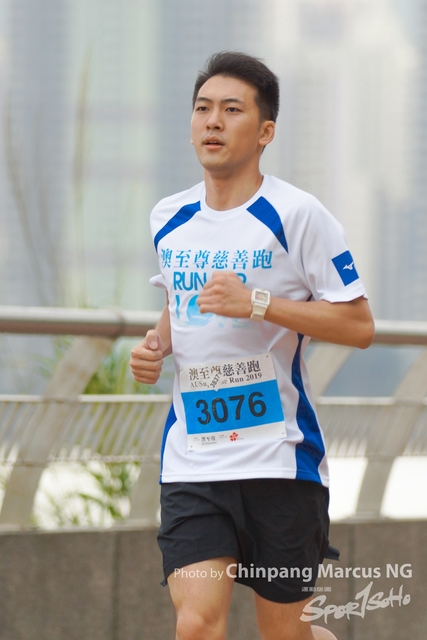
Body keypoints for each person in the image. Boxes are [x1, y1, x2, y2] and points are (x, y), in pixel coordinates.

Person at [130, 51, 374, 640]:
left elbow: (358, 325)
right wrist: (157, 343)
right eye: (202, 108)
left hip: (280, 460)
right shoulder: (169, 217)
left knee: (285, 634)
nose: (213, 121)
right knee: (196, 624)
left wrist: (258, 303)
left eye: (231, 110)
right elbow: (183, 300)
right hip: (194, 458)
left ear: (265, 132)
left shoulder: (298, 214)